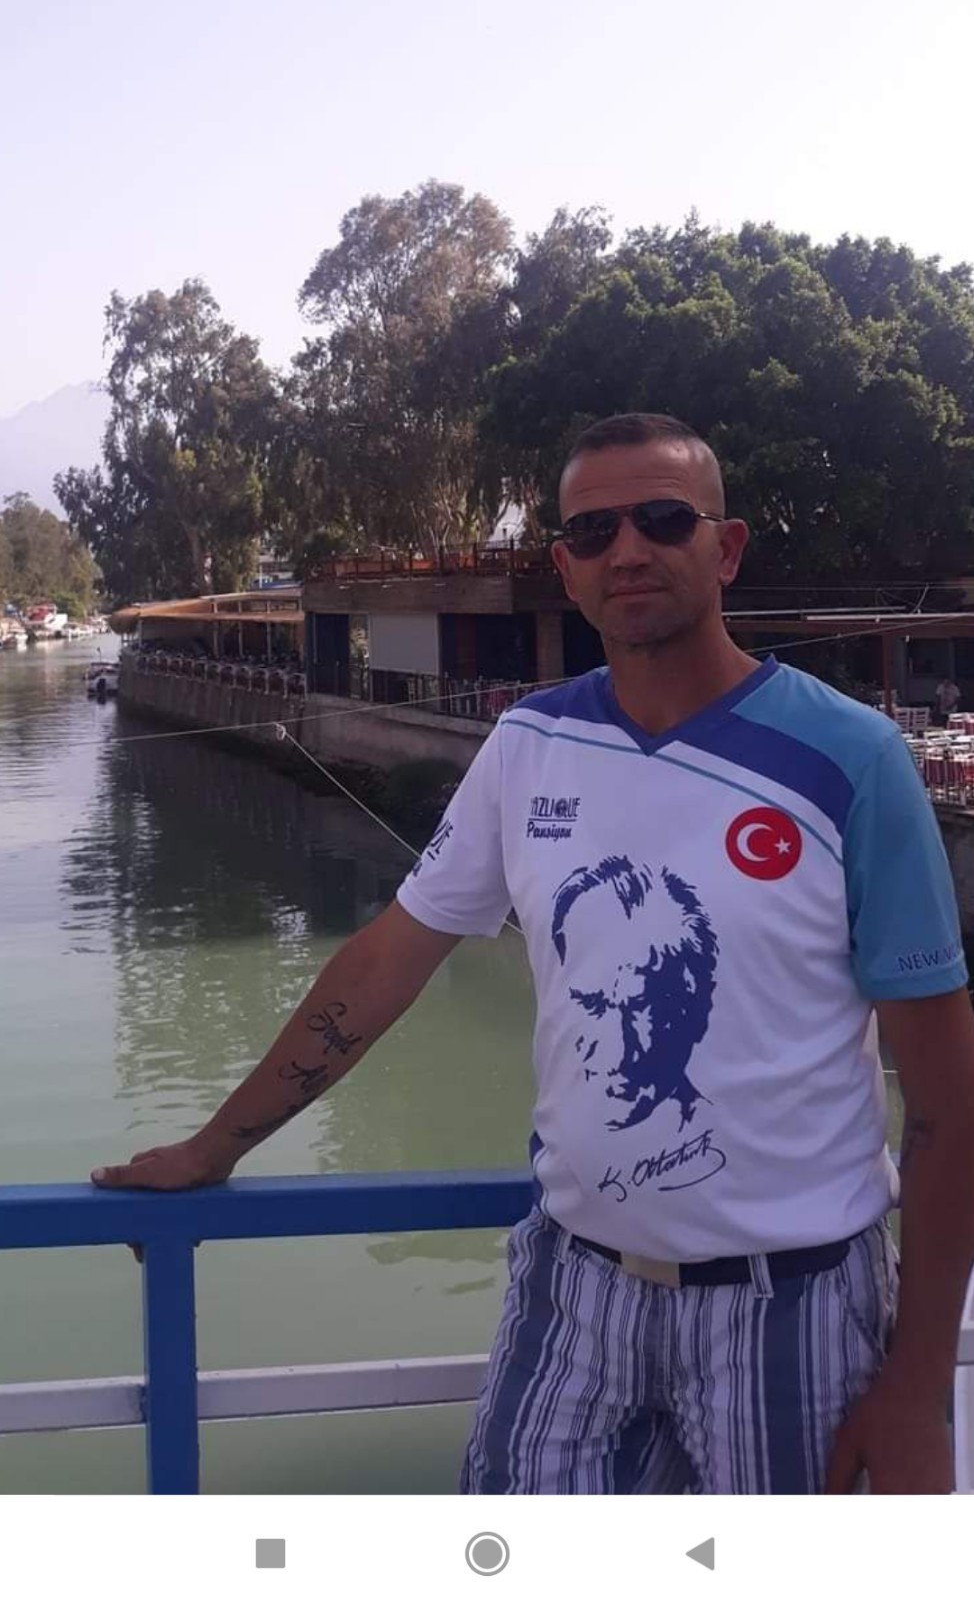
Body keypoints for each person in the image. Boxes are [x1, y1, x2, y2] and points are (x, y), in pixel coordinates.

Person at [91, 412, 974, 1496]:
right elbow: (386, 962)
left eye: (663, 519)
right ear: (565, 569)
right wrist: (214, 1144)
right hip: (571, 1294)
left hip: (789, 1308)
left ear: (727, 548)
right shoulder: (527, 745)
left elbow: (944, 1103)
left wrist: (916, 1386)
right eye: (593, 532)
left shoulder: (851, 758)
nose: (627, 551)